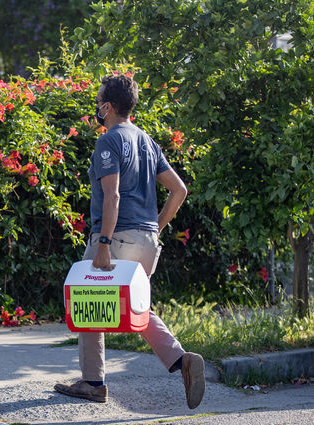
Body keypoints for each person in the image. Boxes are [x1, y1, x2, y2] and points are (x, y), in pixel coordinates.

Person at [53, 74, 205, 409]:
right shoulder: (148, 142)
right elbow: (179, 190)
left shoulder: (109, 140)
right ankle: (182, 361)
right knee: (138, 308)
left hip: (116, 236)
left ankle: (93, 382)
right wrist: (157, 228)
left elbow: (112, 196)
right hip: (147, 240)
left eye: (98, 100)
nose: (96, 105)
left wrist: (104, 243)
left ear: (107, 106)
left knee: (88, 298)